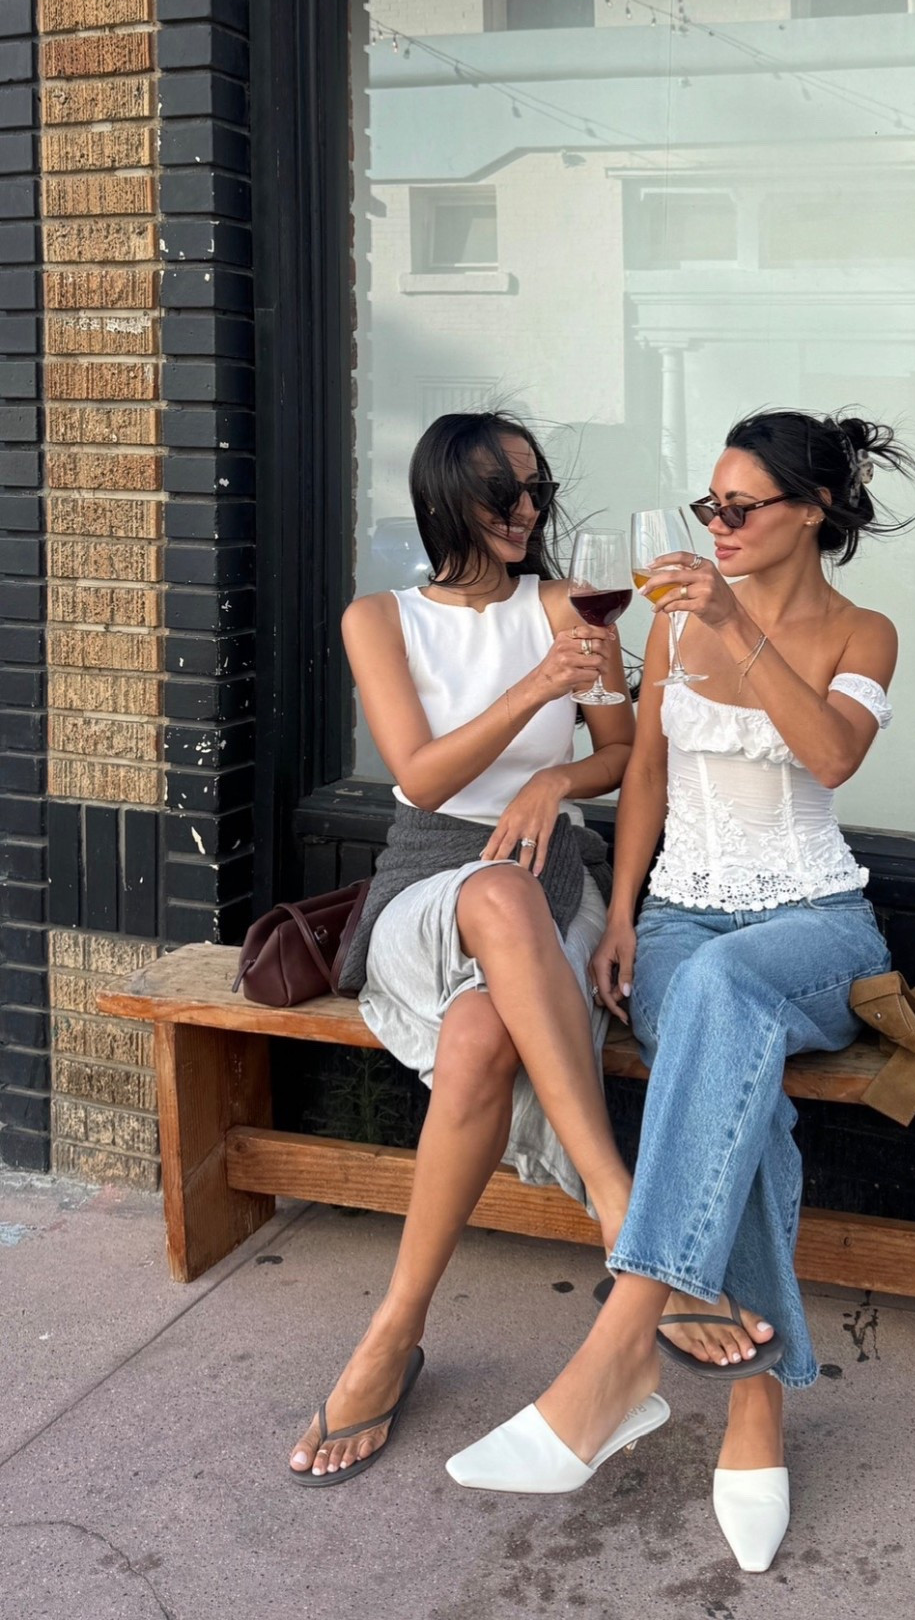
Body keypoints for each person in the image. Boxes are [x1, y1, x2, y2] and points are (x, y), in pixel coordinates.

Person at [446, 408, 914, 1575]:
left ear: (810, 511)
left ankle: (619, 1350)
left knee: (728, 994)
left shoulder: (865, 629)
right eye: (709, 506)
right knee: (715, 1013)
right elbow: (645, 769)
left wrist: (736, 628)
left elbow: (833, 755)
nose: (718, 527)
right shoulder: (667, 627)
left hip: (815, 925)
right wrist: (627, 915)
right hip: (679, 925)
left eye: (740, 507)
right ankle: (754, 1409)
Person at [289, 411, 635, 1485]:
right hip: (426, 882)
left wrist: (553, 776)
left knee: (486, 1028)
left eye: (536, 488)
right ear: (446, 497)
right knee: (490, 887)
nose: (527, 512)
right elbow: (425, 776)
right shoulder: (377, 618)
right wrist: (536, 691)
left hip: (552, 877)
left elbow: (619, 755)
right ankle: (618, 1198)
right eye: (502, 494)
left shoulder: (576, 605)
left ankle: (393, 1329)